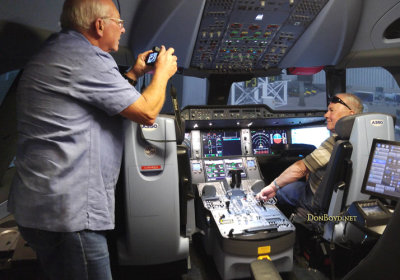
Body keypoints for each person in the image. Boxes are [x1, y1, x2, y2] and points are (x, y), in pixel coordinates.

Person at [7, 0, 177, 279]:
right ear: (100, 25)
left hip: (42, 207)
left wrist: (133, 74)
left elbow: (105, 99)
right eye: (119, 23)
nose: (122, 30)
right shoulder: (86, 58)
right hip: (68, 215)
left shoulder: (60, 50)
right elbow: (147, 113)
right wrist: (162, 73)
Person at [256, 93, 364, 212]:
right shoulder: (363, 140)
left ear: (350, 114)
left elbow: (301, 168)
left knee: (282, 191)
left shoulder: (336, 142)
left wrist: (273, 186)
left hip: (315, 200)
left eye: (331, 110)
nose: (326, 115)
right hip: (341, 202)